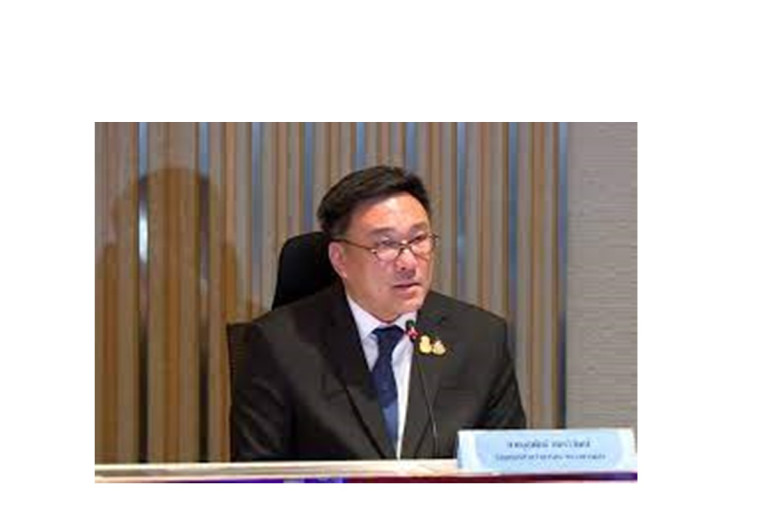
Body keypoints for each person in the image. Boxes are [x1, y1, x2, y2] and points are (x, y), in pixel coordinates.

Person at [230, 166, 526, 461]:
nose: (409, 262)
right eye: (386, 244)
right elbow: (257, 475)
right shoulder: (277, 346)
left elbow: (511, 470)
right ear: (340, 259)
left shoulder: (481, 340)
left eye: (419, 239)